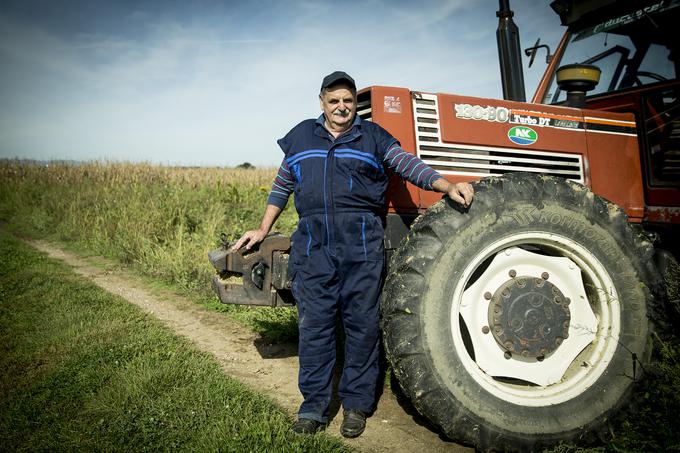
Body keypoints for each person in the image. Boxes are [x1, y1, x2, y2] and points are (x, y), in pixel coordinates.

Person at [232, 71, 474, 438]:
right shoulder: (301, 136)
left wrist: (445, 184)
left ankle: (356, 406)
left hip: (361, 242)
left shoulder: (372, 136)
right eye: (334, 101)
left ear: (353, 104)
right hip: (313, 244)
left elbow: (407, 165)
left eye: (347, 100)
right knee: (315, 327)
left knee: (361, 326)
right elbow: (283, 184)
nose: (341, 107)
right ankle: (313, 408)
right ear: (322, 103)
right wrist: (263, 228)